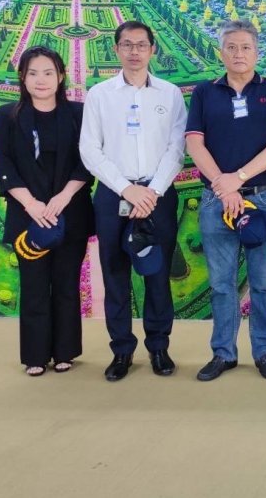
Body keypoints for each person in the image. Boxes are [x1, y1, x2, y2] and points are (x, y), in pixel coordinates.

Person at [185, 21, 266, 381]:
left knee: (263, 281)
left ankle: (264, 351)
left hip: (261, 199)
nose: (238, 54)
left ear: (256, 52)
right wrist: (224, 187)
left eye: (246, 47)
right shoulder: (204, 92)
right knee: (221, 282)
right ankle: (223, 352)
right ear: (221, 52)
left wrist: (239, 180)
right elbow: (195, 144)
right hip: (217, 201)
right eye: (231, 47)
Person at [80, 20, 186, 382]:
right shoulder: (99, 95)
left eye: (142, 45)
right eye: (127, 45)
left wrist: (152, 192)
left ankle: (159, 347)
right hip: (113, 197)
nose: (135, 52)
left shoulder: (170, 94)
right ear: (117, 50)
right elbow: (89, 150)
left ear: (152, 50)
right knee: (115, 275)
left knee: (156, 273)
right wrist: (127, 189)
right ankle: (122, 350)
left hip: (158, 197)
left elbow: (177, 149)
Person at [0, 47, 94, 376]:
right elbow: (2, 164)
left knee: (65, 285)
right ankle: (35, 356)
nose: (41, 80)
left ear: (61, 76)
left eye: (48, 72)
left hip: (70, 213)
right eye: (33, 72)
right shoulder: (8, 115)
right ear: (22, 76)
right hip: (27, 216)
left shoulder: (78, 113)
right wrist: (31, 204)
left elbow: (88, 160)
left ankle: (65, 352)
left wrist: (64, 196)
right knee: (34, 286)